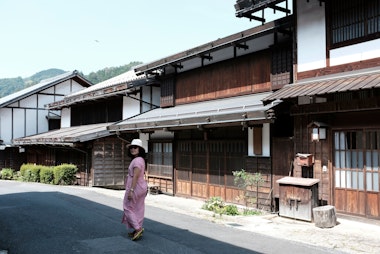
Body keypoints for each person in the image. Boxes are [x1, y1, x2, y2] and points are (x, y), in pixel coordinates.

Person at [121, 139, 148, 241]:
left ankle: (138, 228)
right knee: (138, 208)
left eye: (135, 147)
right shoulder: (141, 160)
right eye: (131, 147)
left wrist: (131, 190)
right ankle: (137, 229)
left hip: (135, 186)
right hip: (141, 186)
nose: (133, 149)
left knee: (127, 207)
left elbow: (135, 176)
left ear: (140, 149)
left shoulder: (136, 161)